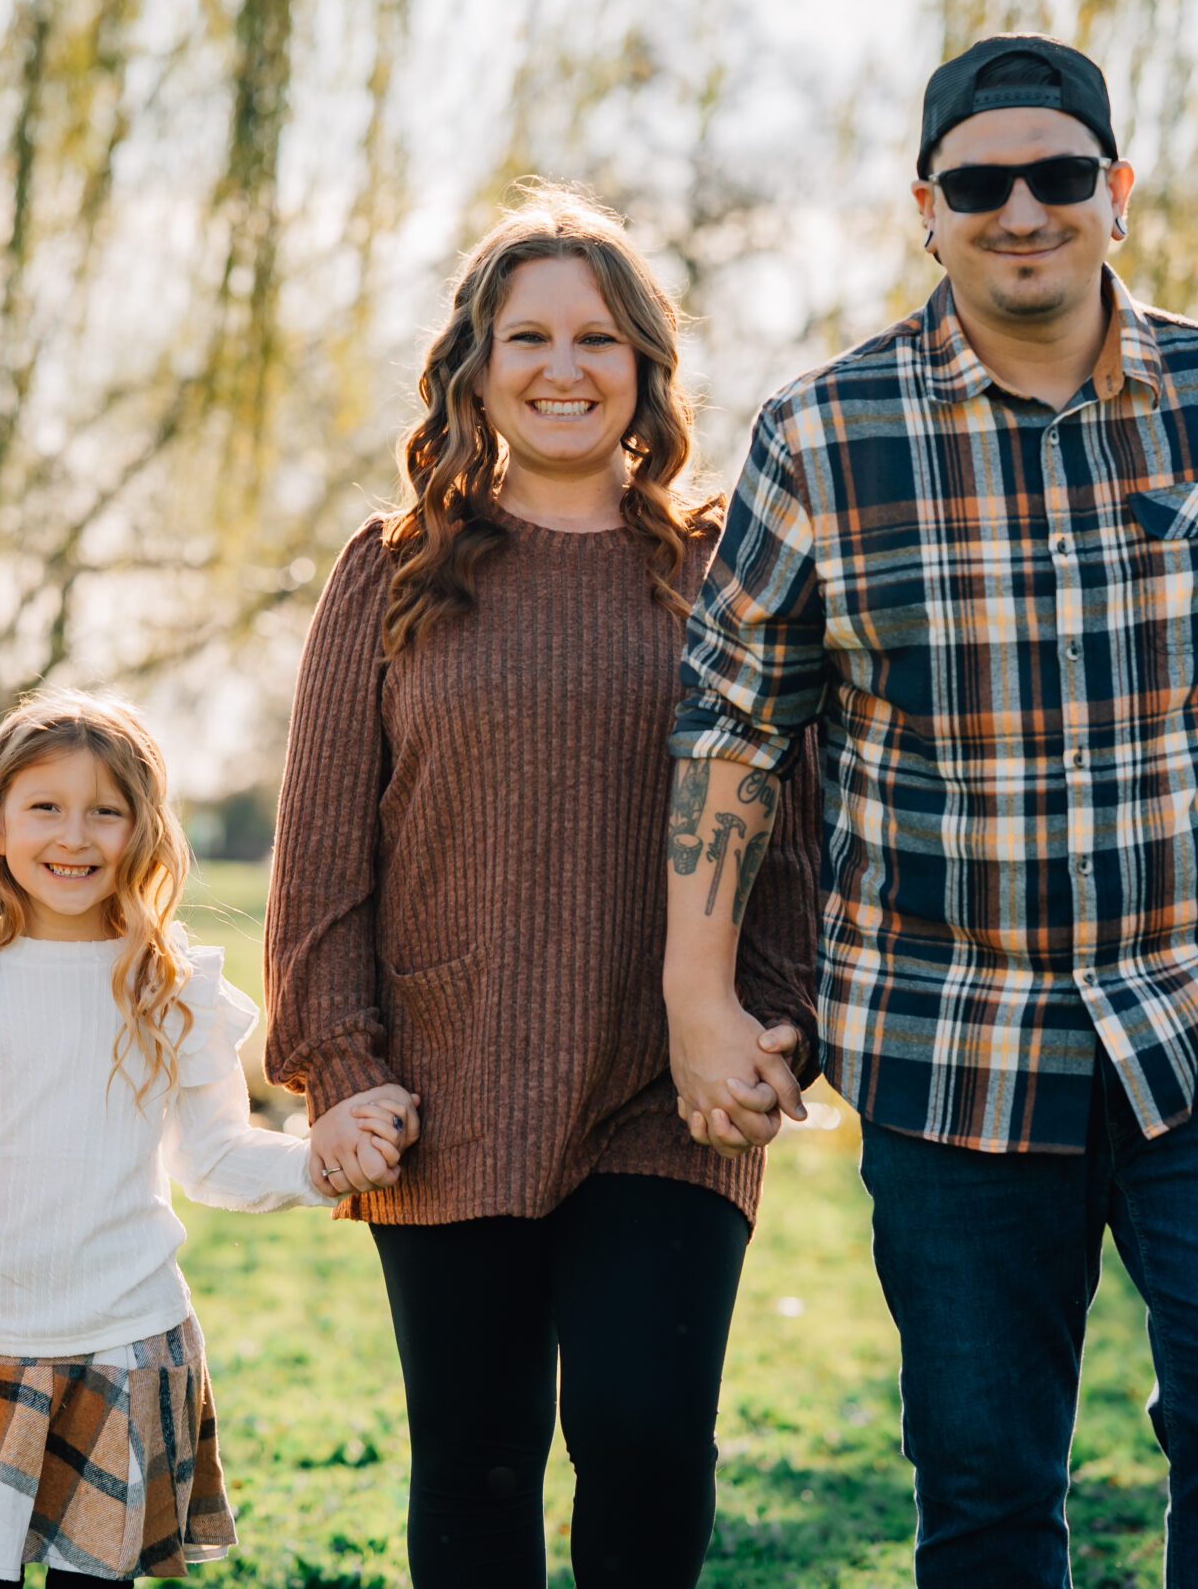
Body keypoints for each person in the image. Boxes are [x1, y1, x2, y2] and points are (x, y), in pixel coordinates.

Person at [665, 33, 1198, 1587]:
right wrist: (695, 994)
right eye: (981, 183)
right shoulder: (822, 435)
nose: (1024, 211)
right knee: (988, 1473)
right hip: (949, 1031)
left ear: (1116, 194)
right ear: (925, 208)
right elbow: (734, 731)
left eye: (1059, 176)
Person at [261, 184, 827, 1589]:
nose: (563, 366)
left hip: (672, 1085)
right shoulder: (391, 572)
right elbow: (326, 851)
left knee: (645, 1431)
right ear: (475, 364)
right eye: (529, 336)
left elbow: (798, 835)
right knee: (478, 1449)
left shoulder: (725, 570)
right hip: (449, 1086)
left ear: (644, 366)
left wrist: (774, 1025)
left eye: (597, 337)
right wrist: (340, 1063)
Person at [0, 691, 412, 1586]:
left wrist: (317, 1159)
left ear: (145, 830)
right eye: (46, 807)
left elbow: (213, 1158)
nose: (75, 836)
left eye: (107, 811)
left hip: (128, 1342)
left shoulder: (173, 988)